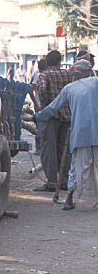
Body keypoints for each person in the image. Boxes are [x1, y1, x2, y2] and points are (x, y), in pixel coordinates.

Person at [36, 73, 98, 210]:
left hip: (81, 134)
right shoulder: (95, 82)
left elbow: (52, 108)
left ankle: (69, 199)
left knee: (76, 167)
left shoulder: (70, 88)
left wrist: (38, 117)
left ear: (74, 76)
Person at [34, 50, 73, 192]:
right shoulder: (68, 74)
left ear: (47, 62)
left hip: (51, 117)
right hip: (67, 117)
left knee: (48, 149)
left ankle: (51, 182)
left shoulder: (44, 75)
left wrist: (42, 110)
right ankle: (65, 181)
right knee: (64, 149)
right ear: (59, 62)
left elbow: (42, 93)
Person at [28, 58, 48, 153]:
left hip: (41, 106)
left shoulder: (41, 75)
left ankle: (40, 147)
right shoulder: (39, 76)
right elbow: (30, 90)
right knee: (40, 128)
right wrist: (36, 104)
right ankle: (38, 147)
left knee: (41, 127)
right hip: (40, 106)